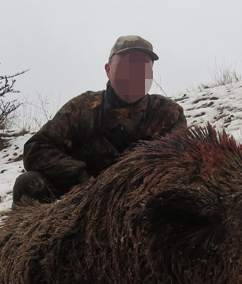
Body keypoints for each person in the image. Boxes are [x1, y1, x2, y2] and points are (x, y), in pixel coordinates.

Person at [13, 35, 186, 205]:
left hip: (143, 200)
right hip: (81, 201)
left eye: (143, 67)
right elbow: (36, 148)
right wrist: (84, 179)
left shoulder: (169, 114)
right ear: (108, 70)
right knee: (28, 183)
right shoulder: (83, 108)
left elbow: (180, 166)